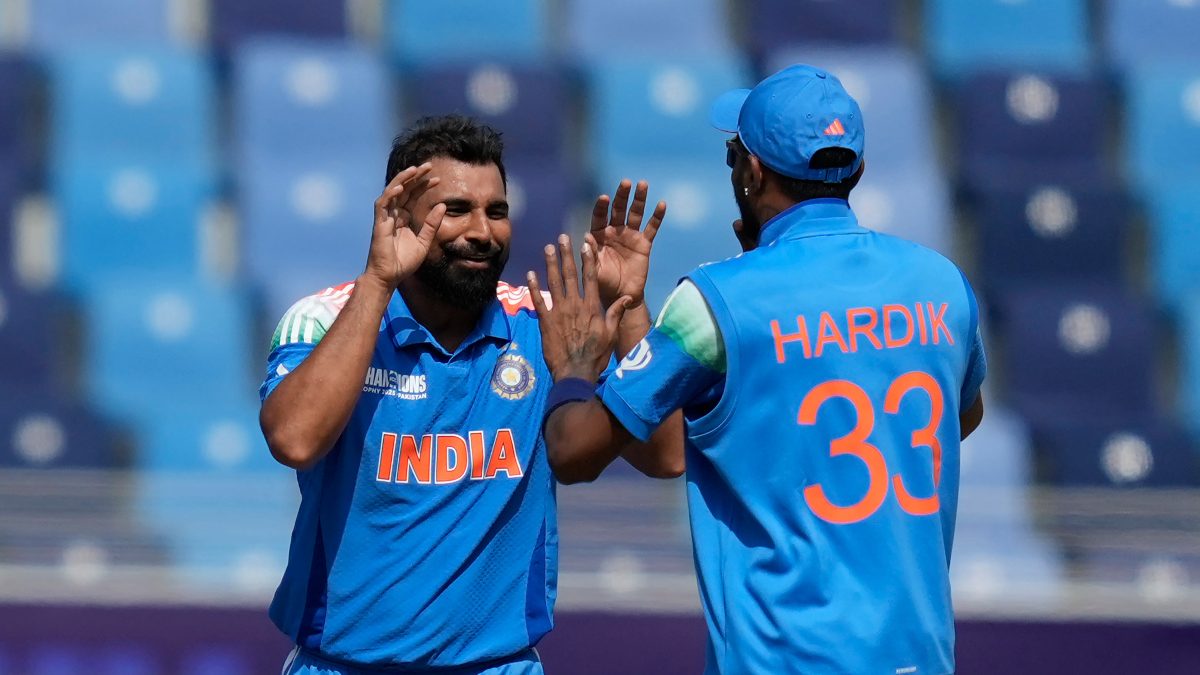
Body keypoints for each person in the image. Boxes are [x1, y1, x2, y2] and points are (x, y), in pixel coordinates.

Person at [528, 65, 987, 674]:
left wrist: (573, 370)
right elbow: (960, 416)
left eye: (731, 156)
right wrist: (636, 308)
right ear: (858, 173)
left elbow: (574, 452)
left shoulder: (721, 300)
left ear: (754, 173)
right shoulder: (941, 283)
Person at [258, 114, 681, 674]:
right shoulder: (323, 319)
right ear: (399, 215)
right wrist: (378, 282)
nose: (482, 231)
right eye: (455, 210)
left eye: (497, 211)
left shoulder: (543, 326)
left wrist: (625, 304)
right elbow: (294, 439)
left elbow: (666, 454)